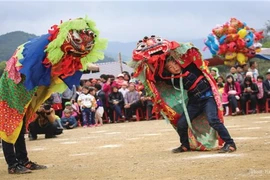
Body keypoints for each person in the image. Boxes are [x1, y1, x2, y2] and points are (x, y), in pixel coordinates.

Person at [163, 57, 236, 153]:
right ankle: (185, 145)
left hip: (208, 98)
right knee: (181, 123)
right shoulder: (173, 79)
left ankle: (230, 143)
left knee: (213, 120)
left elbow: (192, 56)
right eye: (170, 67)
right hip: (194, 102)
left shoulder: (192, 66)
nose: (175, 68)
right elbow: (157, 76)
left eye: (175, 64)